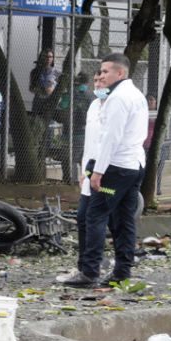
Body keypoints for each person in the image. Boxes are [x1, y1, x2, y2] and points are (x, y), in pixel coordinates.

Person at [62, 53, 148, 288]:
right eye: (98, 74)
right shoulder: (127, 96)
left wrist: (98, 171)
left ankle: (89, 271)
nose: (100, 77)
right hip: (128, 165)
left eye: (105, 72)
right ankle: (121, 271)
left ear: (120, 73)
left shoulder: (119, 98)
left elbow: (112, 138)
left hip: (115, 167)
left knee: (95, 216)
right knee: (122, 219)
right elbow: (96, 139)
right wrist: (88, 167)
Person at [56, 71, 106, 283]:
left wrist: (98, 171)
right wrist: (85, 172)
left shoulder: (118, 104)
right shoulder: (94, 105)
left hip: (109, 174)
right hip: (91, 171)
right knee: (84, 217)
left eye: (102, 79)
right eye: (95, 80)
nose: (97, 84)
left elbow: (109, 143)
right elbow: (91, 144)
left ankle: (97, 269)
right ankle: (85, 267)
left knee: (100, 219)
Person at [59, 72, 94, 183]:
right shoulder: (91, 95)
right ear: (87, 82)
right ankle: (87, 181)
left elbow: (62, 106)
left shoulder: (70, 93)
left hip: (69, 131)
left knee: (69, 159)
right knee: (84, 159)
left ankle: (71, 181)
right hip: (86, 132)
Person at [29, 48, 60, 116]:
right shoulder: (35, 72)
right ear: (42, 57)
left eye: (50, 57)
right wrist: (40, 89)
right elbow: (31, 88)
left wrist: (51, 89)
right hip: (38, 102)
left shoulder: (56, 73)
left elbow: (59, 89)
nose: (48, 59)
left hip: (50, 103)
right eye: (46, 57)